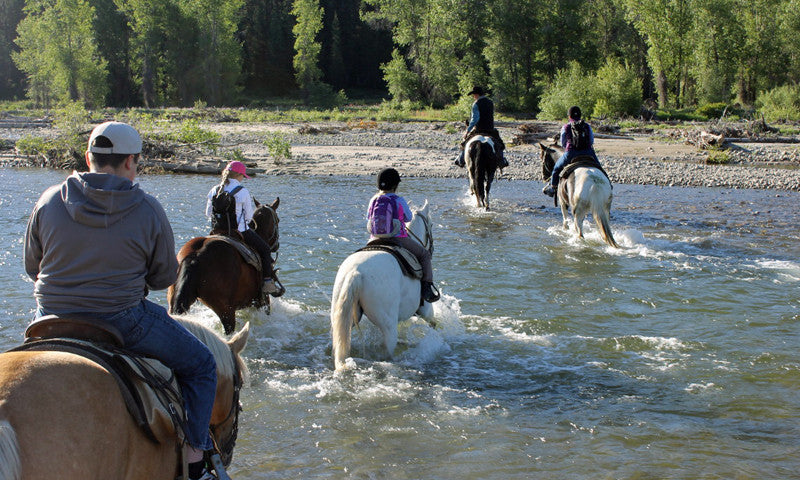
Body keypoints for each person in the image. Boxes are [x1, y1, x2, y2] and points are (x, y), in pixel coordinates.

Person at [24, 121, 219, 480]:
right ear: (131, 162)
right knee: (202, 365)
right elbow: (163, 279)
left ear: (88, 157)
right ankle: (196, 459)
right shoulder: (148, 209)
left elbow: (31, 266)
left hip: (49, 316)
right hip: (123, 320)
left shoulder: (49, 199)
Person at [205, 160, 282, 297]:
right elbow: (248, 217)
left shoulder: (214, 190)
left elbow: (208, 213)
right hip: (239, 232)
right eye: (243, 176)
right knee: (264, 249)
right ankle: (268, 282)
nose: (243, 179)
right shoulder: (242, 191)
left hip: (216, 232)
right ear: (239, 175)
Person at [368, 168, 440, 303]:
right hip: (397, 238)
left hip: (374, 239)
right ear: (395, 185)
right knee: (424, 255)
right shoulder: (398, 200)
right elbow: (408, 218)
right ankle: (427, 288)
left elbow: (368, 217)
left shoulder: (373, 200)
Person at [542, 105, 600, 197]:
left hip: (571, 153)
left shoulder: (566, 127)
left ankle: (553, 188)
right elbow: (591, 141)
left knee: (556, 169)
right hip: (588, 152)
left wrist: (569, 149)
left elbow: (564, 143)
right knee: (599, 167)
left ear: (569, 116)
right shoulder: (587, 126)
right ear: (580, 116)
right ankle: (608, 184)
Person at [453, 86, 508, 169]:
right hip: (490, 129)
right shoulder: (490, 102)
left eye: (473, 95)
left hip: (479, 129)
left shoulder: (476, 104)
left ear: (476, 94)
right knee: (500, 144)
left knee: (465, 141)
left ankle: (461, 159)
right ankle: (502, 160)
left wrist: (468, 130)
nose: (473, 97)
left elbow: (475, 119)